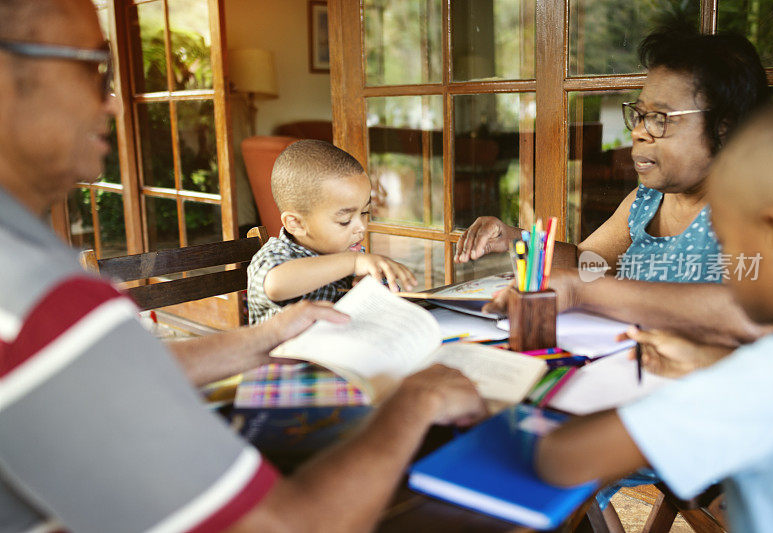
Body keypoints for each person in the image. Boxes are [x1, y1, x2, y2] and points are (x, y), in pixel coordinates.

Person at [0, 2, 487, 532]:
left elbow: (104, 374)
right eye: (93, 67)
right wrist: (416, 403)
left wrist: (260, 339)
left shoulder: (26, 268)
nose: (114, 102)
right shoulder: (40, 304)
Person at [536, 91, 773, 533]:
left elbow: (563, 458)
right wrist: (714, 363)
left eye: (728, 244)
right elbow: (586, 258)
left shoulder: (765, 382)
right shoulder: (765, 375)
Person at [456, 25, 771, 348]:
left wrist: (581, 289)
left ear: (723, 128)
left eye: (661, 118)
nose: (638, 132)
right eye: (639, 114)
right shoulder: (646, 202)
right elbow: (586, 263)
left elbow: (749, 314)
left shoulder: (755, 211)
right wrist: (515, 239)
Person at [247, 139, 417, 323]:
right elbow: (276, 285)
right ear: (296, 224)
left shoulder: (350, 254)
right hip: (283, 351)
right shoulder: (275, 257)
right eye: (345, 221)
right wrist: (352, 262)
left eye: (365, 212)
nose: (361, 227)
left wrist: (372, 291)